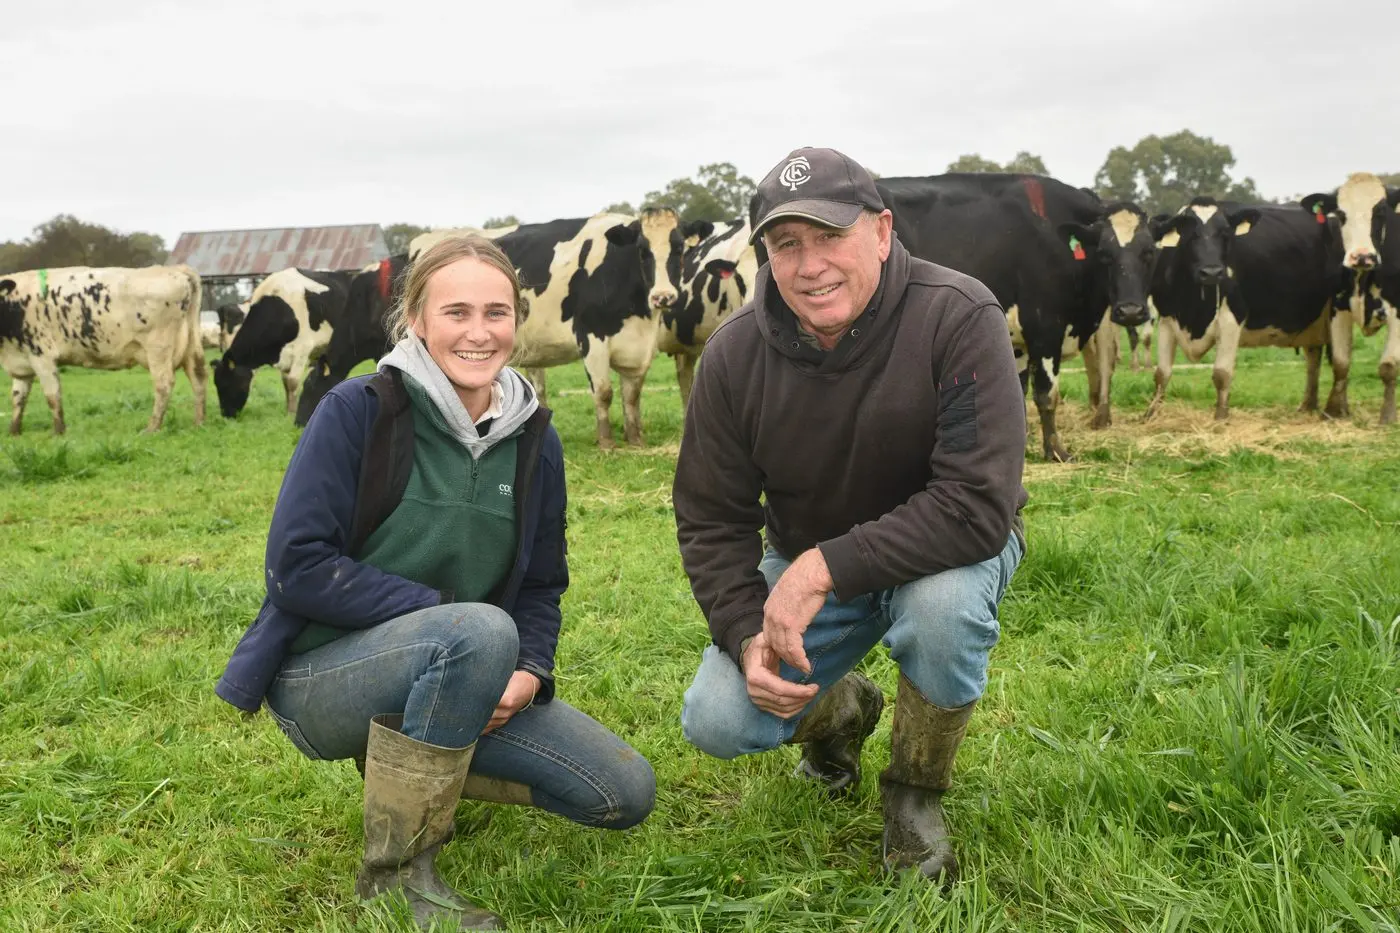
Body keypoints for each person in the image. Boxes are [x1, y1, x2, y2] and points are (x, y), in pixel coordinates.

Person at [216, 235, 655, 931]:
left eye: (496, 311)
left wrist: (529, 671)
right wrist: (452, 619)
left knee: (623, 791)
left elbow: (542, 583)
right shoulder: (358, 409)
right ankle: (397, 875)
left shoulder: (537, 438)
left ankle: (417, 764)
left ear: (518, 317)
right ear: (416, 318)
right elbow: (294, 563)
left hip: (463, 667)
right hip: (322, 677)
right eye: (456, 312)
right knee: (477, 629)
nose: (479, 332)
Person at [673, 147, 1026, 885]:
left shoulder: (959, 315)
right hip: (812, 563)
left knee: (941, 610)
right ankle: (841, 710)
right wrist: (744, 634)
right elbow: (711, 517)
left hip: (945, 553)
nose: (810, 265)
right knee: (715, 717)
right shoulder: (733, 356)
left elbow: (975, 505)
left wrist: (822, 567)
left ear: (883, 231)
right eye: (786, 244)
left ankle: (914, 795)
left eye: (830, 236)